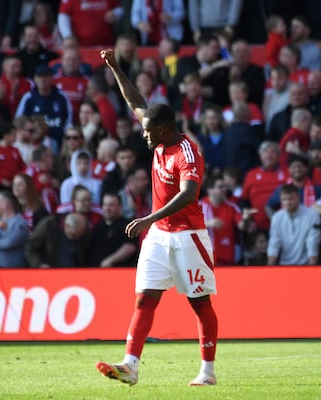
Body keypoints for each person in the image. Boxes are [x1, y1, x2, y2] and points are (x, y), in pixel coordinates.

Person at [96, 49, 218, 386]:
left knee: (199, 302)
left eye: (149, 133)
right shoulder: (158, 134)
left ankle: (207, 371)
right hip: (160, 236)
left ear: (164, 130)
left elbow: (189, 194)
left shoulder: (187, 153)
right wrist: (116, 68)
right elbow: (137, 102)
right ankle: (130, 365)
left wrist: (150, 218)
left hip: (188, 235)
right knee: (145, 298)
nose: (144, 137)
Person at [267, 184, 321, 266]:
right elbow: (274, 244)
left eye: (291, 198)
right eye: (284, 199)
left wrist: (311, 269)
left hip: (306, 265)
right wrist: (269, 270)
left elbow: (312, 242)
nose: (288, 202)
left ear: (298, 198)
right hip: (284, 265)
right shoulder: (276, 217)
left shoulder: (312, 214)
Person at [24, 211, 90, 267]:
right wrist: (39, 264)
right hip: (51, 272)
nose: (77, 238)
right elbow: (29, 247)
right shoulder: (49, 224)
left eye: (80, 235)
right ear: (66, 226)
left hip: (75, 274)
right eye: (74, 235)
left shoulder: (84, 231)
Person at [88, 193, 138, 267]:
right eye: (105, 205)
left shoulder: (128, 225)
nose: (107, 208)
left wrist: (110, 260)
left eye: (111, 205)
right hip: (96, 272)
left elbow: (130, 247)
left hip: (120, 271)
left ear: (120, 206)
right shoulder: (98, 226)